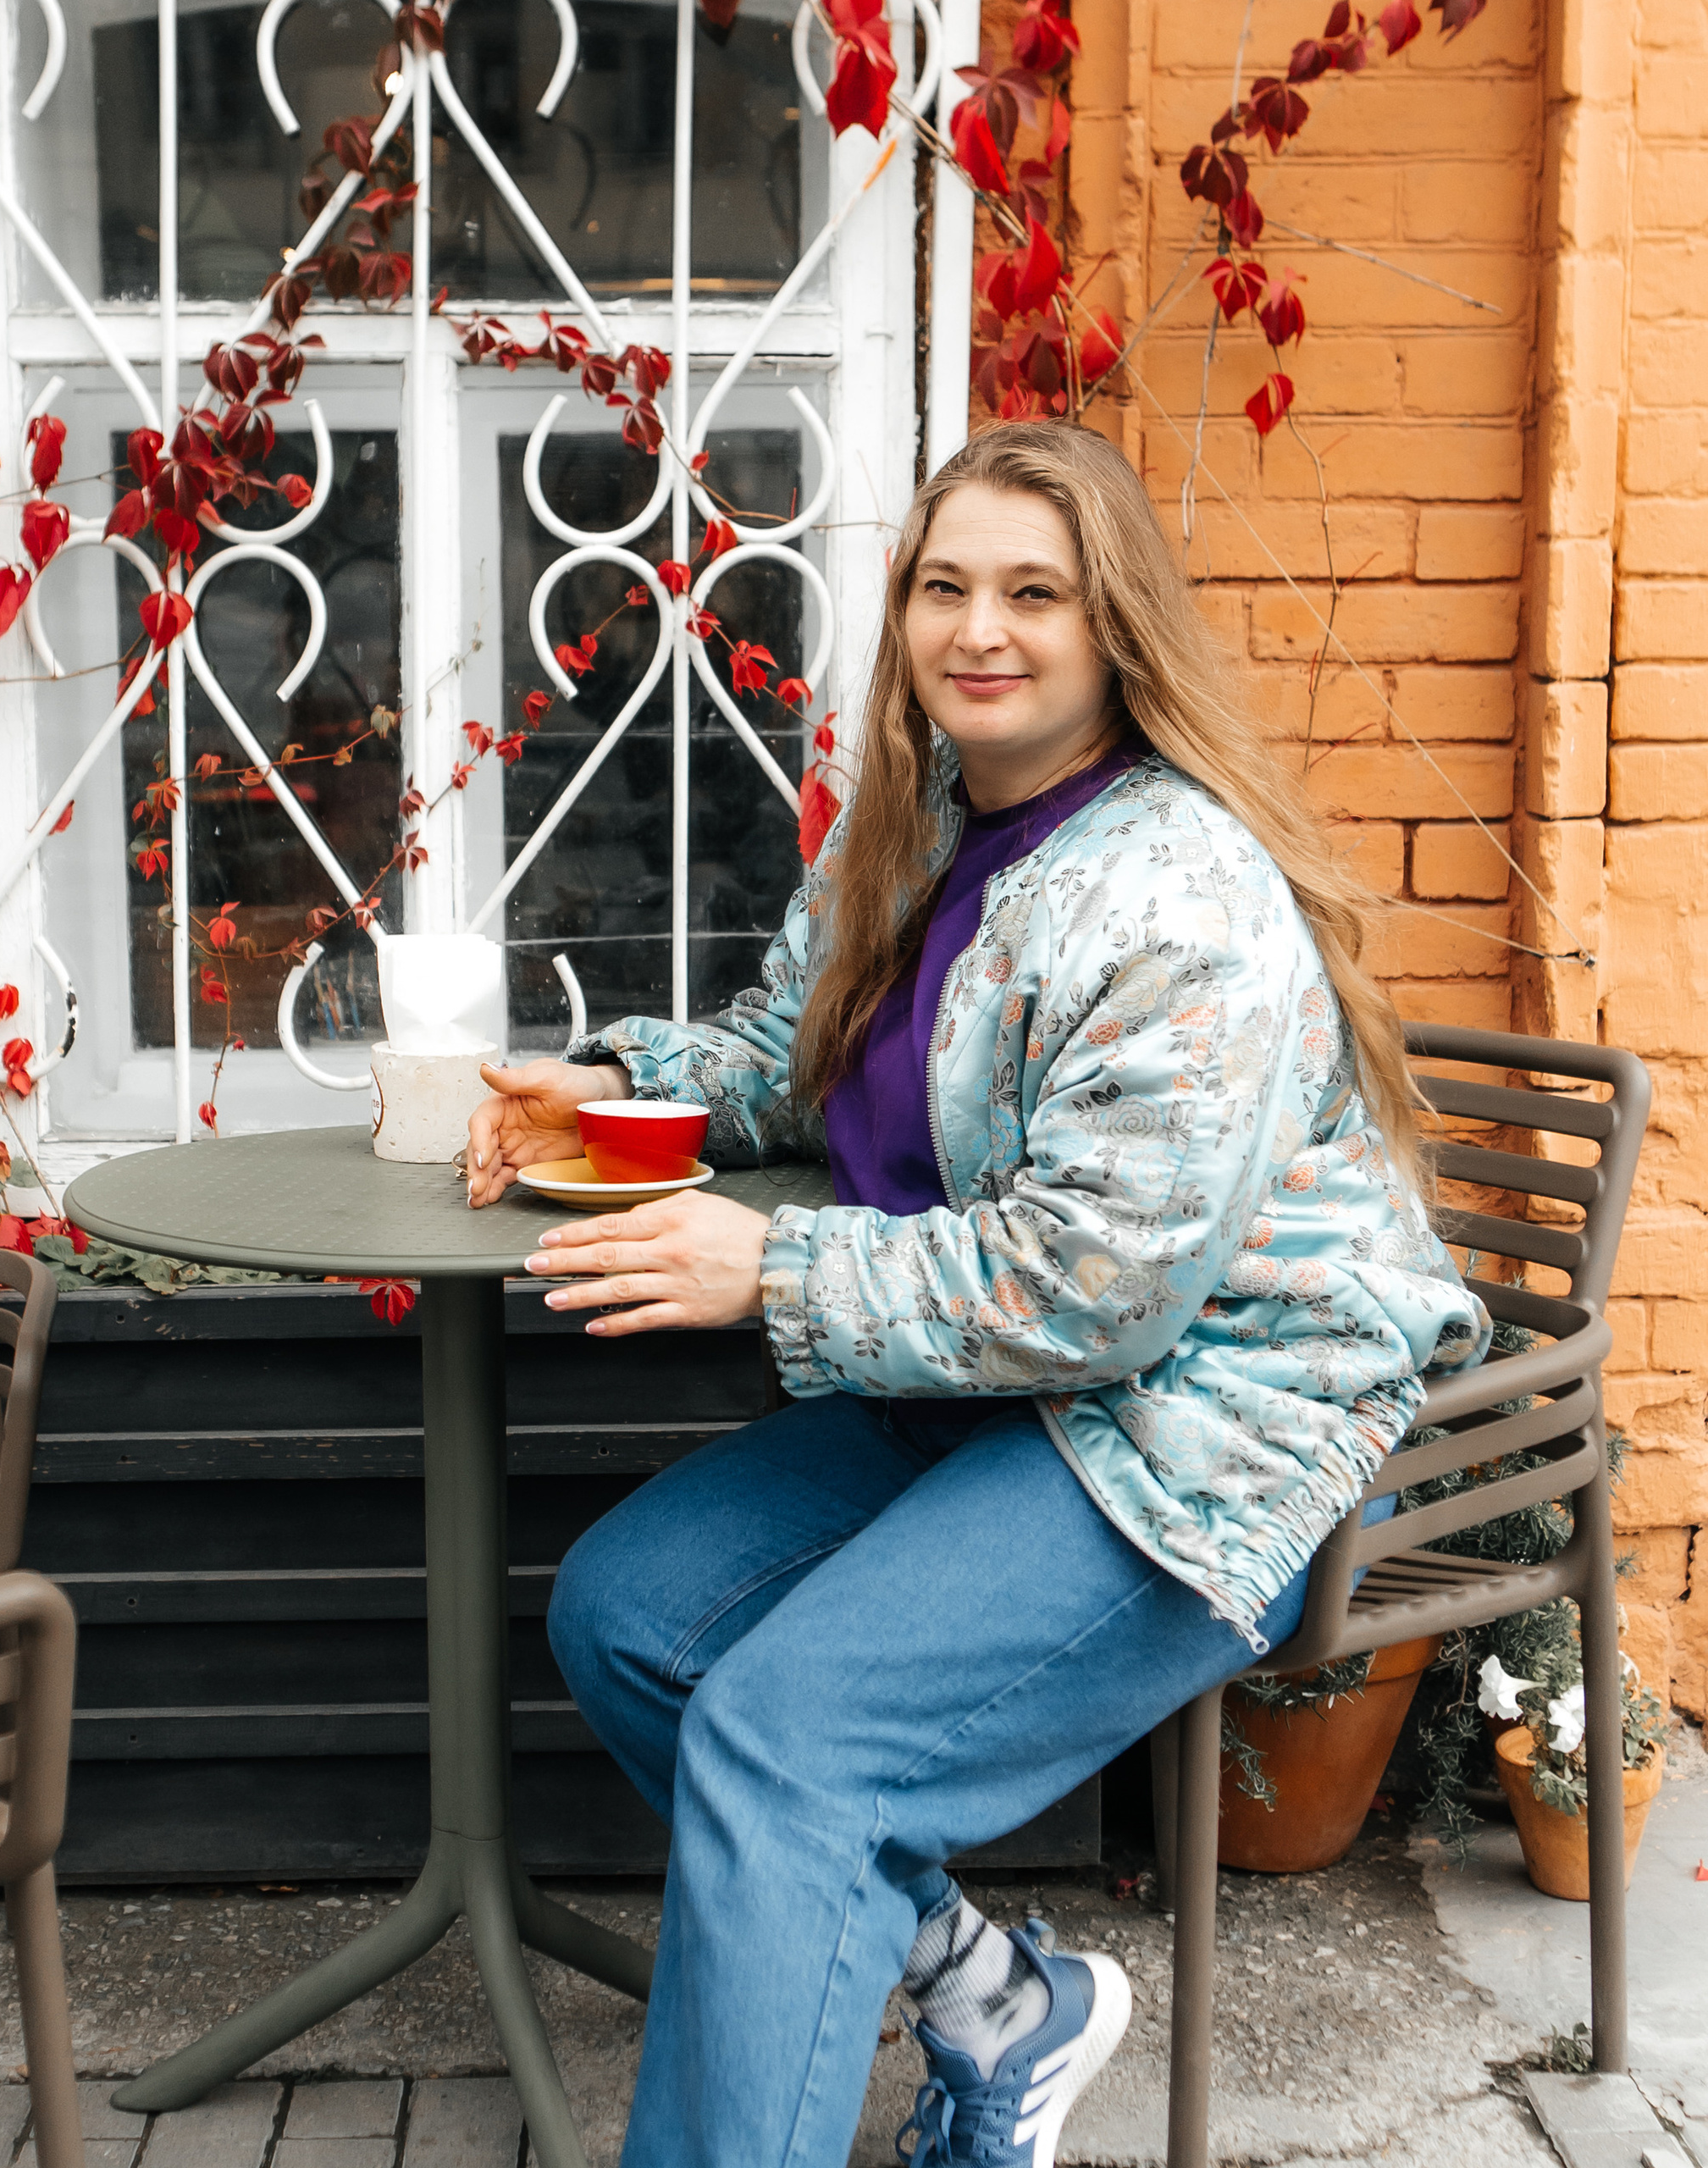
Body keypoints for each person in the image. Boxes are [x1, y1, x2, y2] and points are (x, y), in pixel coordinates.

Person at [464, 423, 1488, 2168]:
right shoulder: (918, 823)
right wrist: (617, 1089)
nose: (979, 629)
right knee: (629, 1612)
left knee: (793, 1740)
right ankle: (1001, 2004)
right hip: (975, 1377)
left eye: (1034, 591)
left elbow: (1103, 1286)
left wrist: (770, 1264)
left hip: (1197, 1420)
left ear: (1114, 626)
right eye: (944, 586)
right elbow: (791, 1054)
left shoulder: (1178, 894)